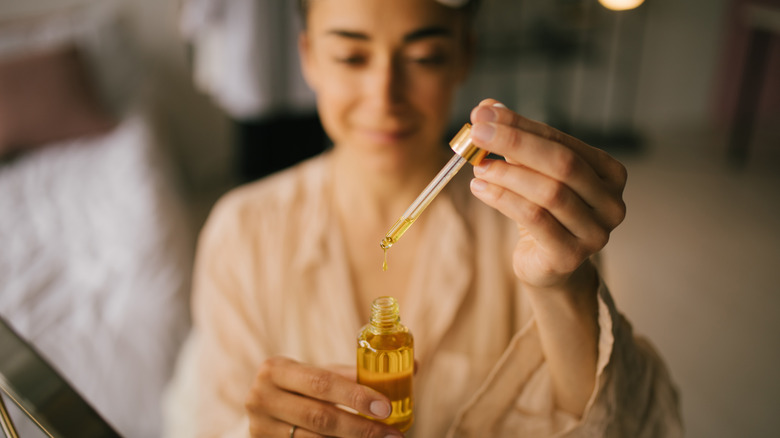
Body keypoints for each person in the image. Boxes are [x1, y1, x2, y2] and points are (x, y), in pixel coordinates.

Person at [163, 0, 682, 437]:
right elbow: (208, 417)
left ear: (464, 56)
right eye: (350, 56)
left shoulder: (528, 227)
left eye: (425, 57)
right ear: (309, 58)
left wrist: (563, 288)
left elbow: (620, 424)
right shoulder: (244, 230)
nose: (384, 97)